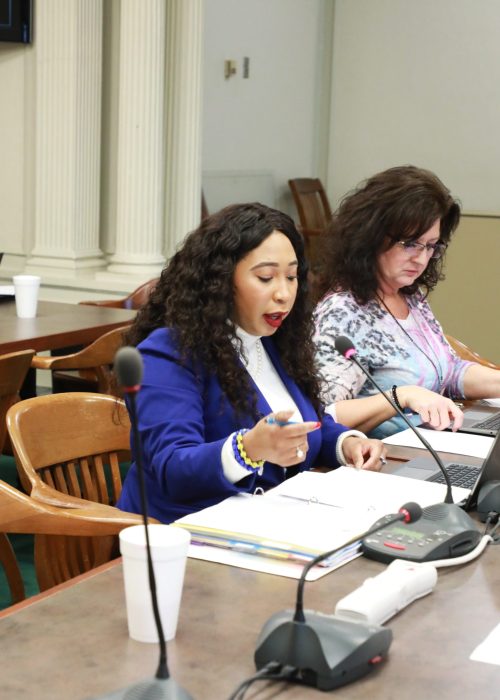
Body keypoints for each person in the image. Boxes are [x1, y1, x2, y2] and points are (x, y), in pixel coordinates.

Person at [117, 202, 385, 523]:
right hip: (182, 536)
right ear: (219, 280)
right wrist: (247, 449)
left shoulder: (272, 342)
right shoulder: (169, 352)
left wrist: (346, 443)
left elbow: (298, 425)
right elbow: (172, 467)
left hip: (267, 523)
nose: (284, 293)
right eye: (266, 277)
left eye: (291, 276)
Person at [313, 165, 500, 439]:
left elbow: (450, 371)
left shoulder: (408, 296)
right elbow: (324, 416)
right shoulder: (343, 312)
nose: (421, 258)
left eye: (431, 245)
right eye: (409, 244)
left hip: (431, 448)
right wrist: (401, 396)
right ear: (371, 237)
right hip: (385, 462)